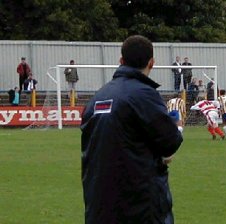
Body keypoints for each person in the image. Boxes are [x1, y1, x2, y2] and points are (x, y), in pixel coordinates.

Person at [81, 35, 183, 224]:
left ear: (121, 61)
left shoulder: (97, 98)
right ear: (151, 63)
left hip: (99, 203)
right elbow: (171, 142)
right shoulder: (144, 94)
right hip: (139, 205)